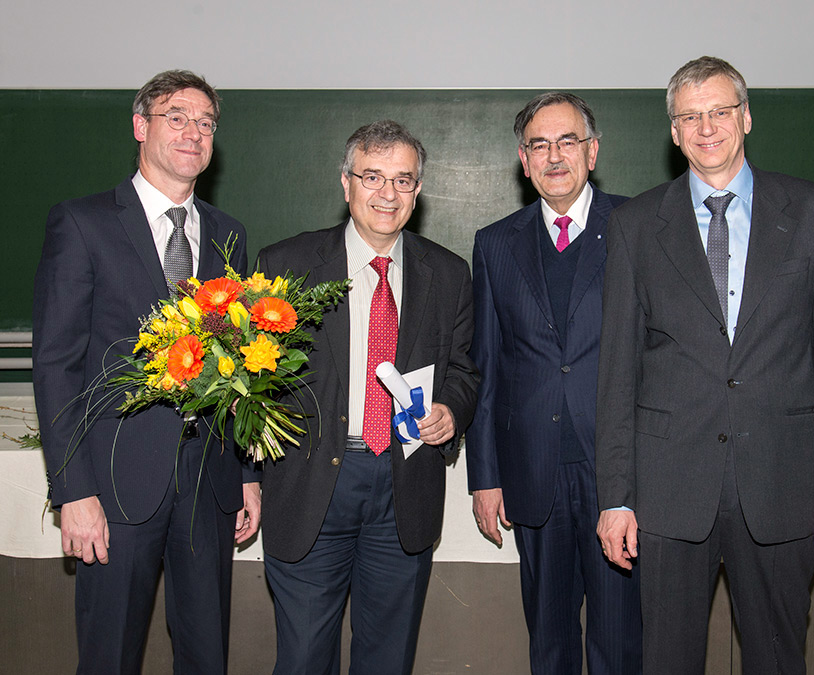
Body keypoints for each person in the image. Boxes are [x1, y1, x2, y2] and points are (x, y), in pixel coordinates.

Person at [595, 56, 814, 674]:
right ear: (673, 132)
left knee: (777, 661)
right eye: (690, 116)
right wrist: (614, 496)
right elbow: (617, 375)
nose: (706, 127)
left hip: (782, 483)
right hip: (667, 492)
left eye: (719, 111)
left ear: (746, 117)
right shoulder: (636, 226)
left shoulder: (812, 211)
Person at [32, 69, 261, 675]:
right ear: (141, 126)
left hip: (207, 488)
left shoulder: (228, 235)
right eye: (177, 117)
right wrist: (72, 490)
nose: (194, 133)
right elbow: (56, 365)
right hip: (113, 484)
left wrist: (245, 475)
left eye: (206, 123)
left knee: (206, 654)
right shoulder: (82, 223)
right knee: (110, 656)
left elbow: (237, 368)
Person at [256, 119, 479, 675]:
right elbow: (250, 383)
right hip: (310, 483)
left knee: (387, 660)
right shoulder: (284, 267)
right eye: (372, 177)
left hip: (402, 489)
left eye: (403, 180)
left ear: (418, 191)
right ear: (346, 183)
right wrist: (245, 477)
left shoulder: (448, 274)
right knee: (305, 658)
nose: (388, 193)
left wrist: (451, 410)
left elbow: (464, 370)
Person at [467, 92, 642, 674]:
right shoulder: (495, 244)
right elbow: (486, 369)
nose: (554, 156)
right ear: (523, 159)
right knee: (549, 642)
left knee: (621, 642)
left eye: (568, 141)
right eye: (539, 144)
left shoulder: (638, 228)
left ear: (593, 152)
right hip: (533, 475)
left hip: (617, 472)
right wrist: (485, 478)